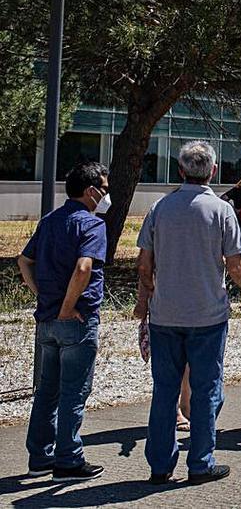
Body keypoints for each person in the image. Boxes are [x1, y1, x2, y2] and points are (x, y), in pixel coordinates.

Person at [135, 140, 241, 485]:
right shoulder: (221, 210)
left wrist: (147, 299)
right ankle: (200, 462)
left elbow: (145, 264)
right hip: (207, 314)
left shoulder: (160, 207)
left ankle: (160, 464)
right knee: (205, 390)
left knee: (164, 391)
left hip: (165, 315)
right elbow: (235, 263)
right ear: (213, 171)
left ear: (180, 170)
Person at [17, 161, 110, 481]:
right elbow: (84, 268)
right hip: (76, 321)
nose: (106, 196)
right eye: (105, 190)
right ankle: (68, 459)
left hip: (46, 320)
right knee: (74, 392)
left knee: (47, 392)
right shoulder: (92, 225)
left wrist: (43, 295)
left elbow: (24, 260)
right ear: (91, 191)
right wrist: (68, 307)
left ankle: (40, 456)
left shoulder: (51, 220)